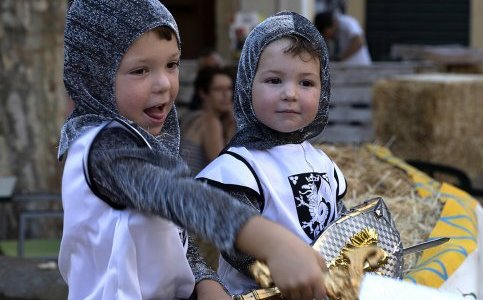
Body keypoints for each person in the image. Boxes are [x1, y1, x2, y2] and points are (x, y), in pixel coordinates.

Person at [58, 1, 328, 299]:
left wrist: (204, 282)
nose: (163, 84)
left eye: (172, 65)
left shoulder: (145, 142)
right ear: (93, 76)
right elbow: (178, 196)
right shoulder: (102, 149)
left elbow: (175, 239)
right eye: (140, 70)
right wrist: (273, 242)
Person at [196, 11, 348, 295]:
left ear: (323, 90)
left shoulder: (322, 163)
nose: (290, 93)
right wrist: (283, 273)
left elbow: (339, 226)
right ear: (247, 85)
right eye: (274, 81)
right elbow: (236, 245)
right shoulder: (240, 167)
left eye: (306, 83)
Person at [180, 67, 236, 176]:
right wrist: (231, 125)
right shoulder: (210, 121)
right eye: (218, 89)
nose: (226, 95)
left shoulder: (191, 116)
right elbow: (223, 167)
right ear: (203, 93)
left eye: (229, 89)